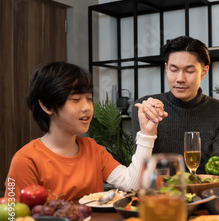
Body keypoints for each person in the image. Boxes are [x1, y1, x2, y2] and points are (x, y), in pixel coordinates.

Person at [5, 62, 166, 201]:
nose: (87, 108)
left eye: (89, 99)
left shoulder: (93, 149)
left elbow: (132, 184)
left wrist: (147, 133)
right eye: (75, 100)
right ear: (47, 105)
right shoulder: (26, 160)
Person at [131, 36, 219, 172]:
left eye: (189, 71)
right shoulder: (146, 108)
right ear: (166, 68)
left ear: (204, 72)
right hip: (160, 192)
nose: (180, 79)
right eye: (173, 70)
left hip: (206, 192)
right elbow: (142, 170)